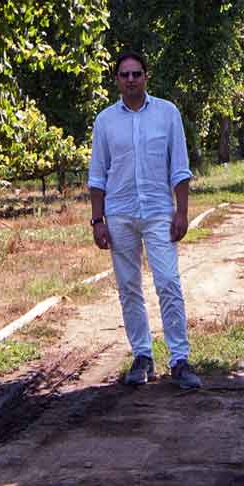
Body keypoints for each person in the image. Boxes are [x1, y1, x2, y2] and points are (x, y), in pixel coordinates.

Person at [88, 49, 202, 389]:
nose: (131, 80)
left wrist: (181, 212)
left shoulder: (167, 114)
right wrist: (98, 220)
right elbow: (98, 175)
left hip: (157, 213)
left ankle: (179, 359)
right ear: (117, 80)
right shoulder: (105, 121)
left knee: (168, 281)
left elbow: (180, 169)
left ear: (146, 77)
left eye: (136, 74)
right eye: (125, 75)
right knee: (128, 287)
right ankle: (142, 356)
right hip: (120, 214)